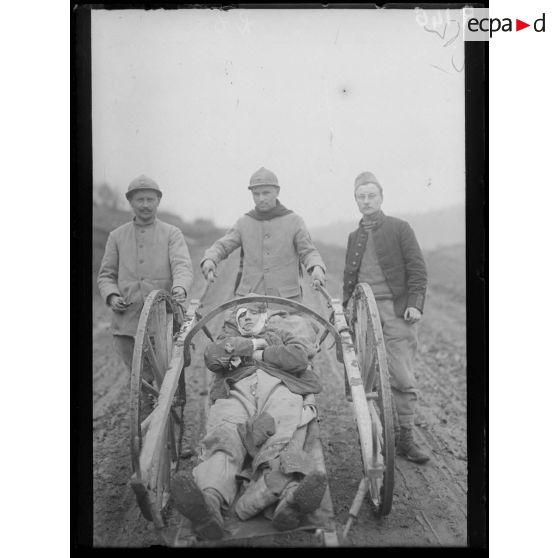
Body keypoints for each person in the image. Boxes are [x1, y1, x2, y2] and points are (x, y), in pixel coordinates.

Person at [170, 297, 327, 540]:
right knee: (225, 435)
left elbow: (298, 358)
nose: (246, 318)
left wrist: (261, 353)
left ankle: (290, 498)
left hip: (281, 385)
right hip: (237, 387)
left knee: (284, 430)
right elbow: (213, 356)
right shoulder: (228, 338)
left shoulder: (281, 333)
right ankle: (209, 502)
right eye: (241, 315)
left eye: (252, 313)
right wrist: (253, 345)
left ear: (265, 316)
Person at [343, 171, 430, 464]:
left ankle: (405, 437)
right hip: (364, 314)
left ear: (381, 198)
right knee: (369, 379)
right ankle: (380, 435)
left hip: (395, 311)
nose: (366, 201)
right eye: (361, 196)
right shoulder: (354, 237)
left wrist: (415, 304)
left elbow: (417, 270)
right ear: (356, 200)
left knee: (402, 375)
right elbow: (349, 281)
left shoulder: (399, 228)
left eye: (371, 196)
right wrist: (346, 314)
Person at [97, 174, 194, 376]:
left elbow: (182, 266)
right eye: (140, 199)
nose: (145, 205)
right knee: (137, 377)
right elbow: (106, 275)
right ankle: (142, 405)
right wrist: (112, 296)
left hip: (162, 319)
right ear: (130, 202)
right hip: (127, 322)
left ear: (158, 201)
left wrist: (180, 287)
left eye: (150, 199)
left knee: (164, 375)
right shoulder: (116, 236)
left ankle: (164, 405)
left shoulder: (171, 233)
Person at [200, 167, 326, 301]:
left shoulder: (294, 221)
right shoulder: (244, 222)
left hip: (287, 303)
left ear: (277, 191)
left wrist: (317, 267)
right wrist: (210, 258)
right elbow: (222, 246)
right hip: (249, 302)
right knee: (230, 321)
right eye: (256, 194)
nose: (261, 198)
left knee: (298, 323)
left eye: (266, 193)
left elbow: (308, 252)